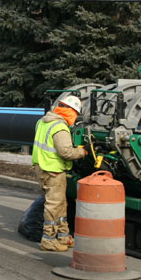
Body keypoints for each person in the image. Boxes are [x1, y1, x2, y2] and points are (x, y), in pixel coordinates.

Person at [31, 95, 88, 252]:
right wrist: (83, 151)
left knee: (61, 203)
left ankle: (64, 236)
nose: (75, 118)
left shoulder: (42, 122)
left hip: (42, 167)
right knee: (54, 205)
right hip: (53, 170)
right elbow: (66, 152)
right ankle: (48, 240)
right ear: (70, 112)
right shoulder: (60, 127)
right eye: (76, 114)